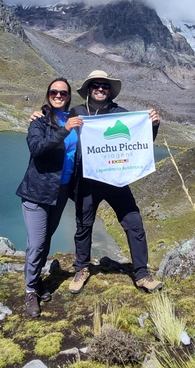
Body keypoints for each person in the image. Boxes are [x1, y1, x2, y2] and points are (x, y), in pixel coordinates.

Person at [68, 70, 163, 294]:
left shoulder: (121, 114)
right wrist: (40, 115)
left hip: (116, 180)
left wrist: (153, 125)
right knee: (84, 226)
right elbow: (58, 126)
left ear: (110, 91)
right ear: (89, 90)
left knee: (134, 223)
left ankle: (142, 274)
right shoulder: (77, 112)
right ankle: (81, 268)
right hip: (87, 179)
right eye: (96, 86)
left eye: (105, 86)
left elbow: (138, 143)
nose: (100, 89)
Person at [16, 78, 83, 318]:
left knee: (45, 241)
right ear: (48, 94)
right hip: (37, 192)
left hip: (60, 191)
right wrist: (64, 131)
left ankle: (37, 281)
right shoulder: (40, 122)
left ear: (68, 96)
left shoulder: (75, 121)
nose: (58, 95)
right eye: (54, 92)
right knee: (35, 243)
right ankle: (30, 291)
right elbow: (38, 149)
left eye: (63, 93)